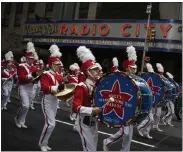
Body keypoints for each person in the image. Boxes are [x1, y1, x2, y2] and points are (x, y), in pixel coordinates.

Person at [103, 46, 137, 151]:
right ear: (127, 68)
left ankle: (125, 150)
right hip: (122, 107)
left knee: (129, 134)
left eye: (135, 68)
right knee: (124, 132)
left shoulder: (135, 79)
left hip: (132, 107)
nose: (134, 70)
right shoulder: (122, 77)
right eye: (132, 68)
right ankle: (107, 142)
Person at [72, 46, 102, 151]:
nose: (97, 71)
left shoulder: (97, 86)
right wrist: (91, 110)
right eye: (94, 70)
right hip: (84, 122)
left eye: (97, 69)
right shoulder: (82, 86)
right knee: (90, 149)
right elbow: (75, 107)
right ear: (87, 72)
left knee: (93, 148)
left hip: (94, 121)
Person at [38, 44, 65, 151]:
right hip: (47, 100)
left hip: (55, 101)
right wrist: (58, 87)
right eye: (56, 64)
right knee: (51, 124)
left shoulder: (59, 75)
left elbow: (60, 89)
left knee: (50, 124)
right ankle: (41, 144)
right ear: (52, 64)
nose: (59, 66)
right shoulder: (46, 74)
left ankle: (45, 143)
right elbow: (45, 88)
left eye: (59, 64)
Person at [14, 42, 40, 129]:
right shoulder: (22, 66)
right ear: (26, 58)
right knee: (25, 105)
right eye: (30, 58)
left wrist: (37, 78)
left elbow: (36, 79)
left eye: (32, 59)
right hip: (23, 87)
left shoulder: (34, 68)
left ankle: (22, 121)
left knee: (27, 106)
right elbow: (21, 77)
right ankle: (17, 119)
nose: (32, 60)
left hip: (31, 88)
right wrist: (31, 76)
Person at [137, 63, 155, 139]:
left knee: (151, 119)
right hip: (146, 102)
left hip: (152, 101)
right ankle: (140, 128)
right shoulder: (142, 80)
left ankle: (146, 132)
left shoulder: (153, 80)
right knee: (150, 119)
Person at [152, 63, 164, 132]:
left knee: (158, 114)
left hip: (160, 99)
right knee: (152, 114)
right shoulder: (155, 79)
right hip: (154, 98)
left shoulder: (163, 80)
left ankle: (155, 125)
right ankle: (146, 127)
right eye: (160, 73)